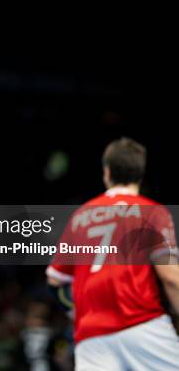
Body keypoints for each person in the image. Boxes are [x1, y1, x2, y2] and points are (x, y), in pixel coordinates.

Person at [46, 137, 179, 370]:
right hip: (142, 324)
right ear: (140, 173)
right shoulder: (151, 212)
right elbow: (171, 277)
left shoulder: (80, 217)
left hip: (91, 338)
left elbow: (55, 280)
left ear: (106, 173)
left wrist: (76, 313)